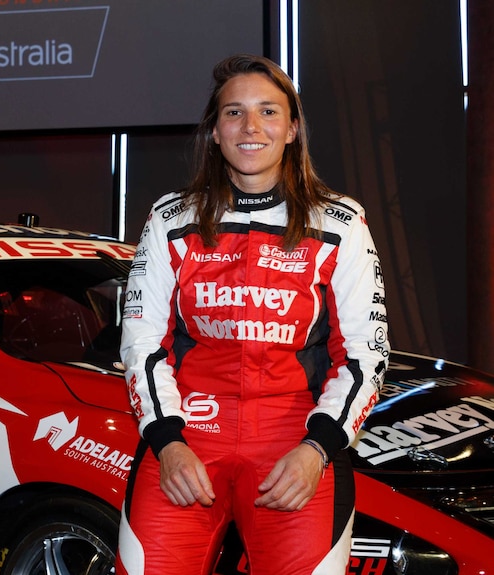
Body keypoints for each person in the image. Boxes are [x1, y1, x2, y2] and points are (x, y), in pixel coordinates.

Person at [116, 54, 389, 575]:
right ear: (214, 132)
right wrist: (167, 443)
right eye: (233, 113)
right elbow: (141, 341)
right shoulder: (170, 217)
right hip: (187, 443)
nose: (251, 127)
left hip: (294, 446)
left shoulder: (340, 221)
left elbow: (365, 350)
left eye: (268, 111)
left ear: (292, 129)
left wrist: (318, 448)